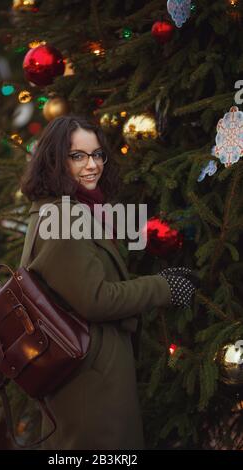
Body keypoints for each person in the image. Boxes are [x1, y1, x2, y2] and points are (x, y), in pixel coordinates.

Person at [19, 115, 197, 450]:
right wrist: (164, 287)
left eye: (98, 154)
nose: (92, 165)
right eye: (79, 156)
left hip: (86, 375)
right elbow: (96, 299)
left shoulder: (64, 209)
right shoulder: (65, 216)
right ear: (56, 160)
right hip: (89, 383)